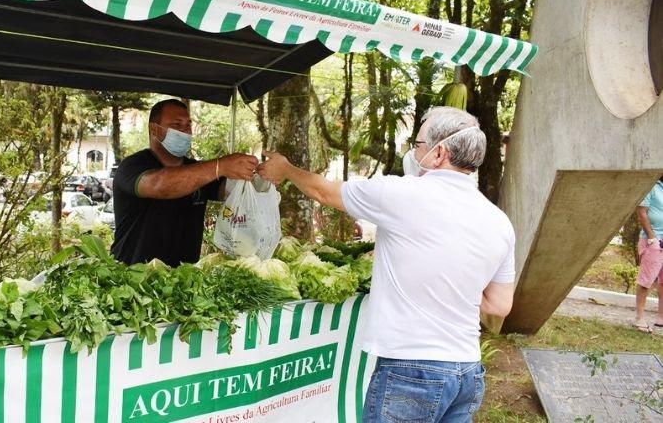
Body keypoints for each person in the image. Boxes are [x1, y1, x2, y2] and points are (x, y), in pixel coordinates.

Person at [258, 106, 516, 422]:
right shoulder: (499, 222)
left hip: (412, 371)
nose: (413, 152)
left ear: (439, 154)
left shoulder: (403, 194)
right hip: (467, 372)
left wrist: (286, 170)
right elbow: (500, 304)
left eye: (418, 145)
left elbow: (323, 193)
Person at [111, 99, 258, 266]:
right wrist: (220, 165)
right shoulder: (133, 166)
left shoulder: (200, 171)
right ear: (154, 129)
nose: (185, 131)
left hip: (181, 281)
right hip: (132, 278)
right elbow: (160, 185)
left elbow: (228, 191)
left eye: (188, 125)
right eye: (177, 125)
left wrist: (255, 178)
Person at [634, 176, 663, 333]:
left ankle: (661, 318)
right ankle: (639, 319)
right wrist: (652, 238)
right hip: (653, 241)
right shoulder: (652, 186)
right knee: (646, 281)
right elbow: (642, 212)